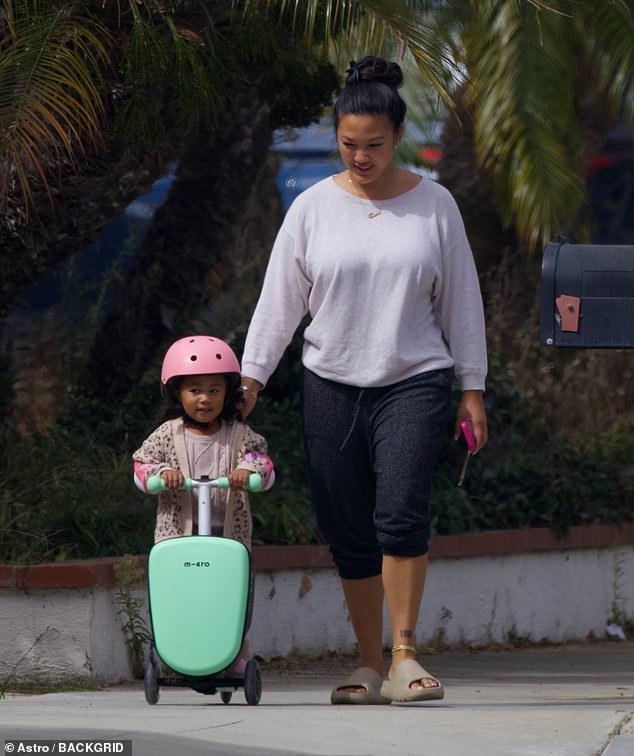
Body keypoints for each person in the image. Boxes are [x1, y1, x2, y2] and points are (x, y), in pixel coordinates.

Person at [240, 54, 488, 704]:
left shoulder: (435, 205)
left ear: (397, 136)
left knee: (399, 511)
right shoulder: (313, 209)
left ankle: (407, 656)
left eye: (373, 145)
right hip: (330, 382)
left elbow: (461, 301)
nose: (360, 156)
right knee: (347, 524)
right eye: (348, 144)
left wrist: (473, 387)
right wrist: (251, 378)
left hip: (414, 378)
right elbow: (279, 302)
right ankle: (369, 662)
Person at [132, 335, 275, 675]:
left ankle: (234, 655)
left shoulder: (239, 434)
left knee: (229, 597)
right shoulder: (167, 435)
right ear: (177, 393)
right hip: (176, 536)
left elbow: (263, 465)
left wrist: (248, 471)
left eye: (214, 389)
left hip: (229, 536)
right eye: (195, 390)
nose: (205, 398)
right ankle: (173, 651)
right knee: (179, 596)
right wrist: (162, 473)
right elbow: (142, 465)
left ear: (227, 393)